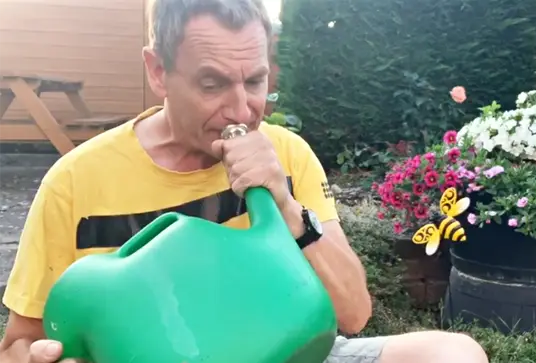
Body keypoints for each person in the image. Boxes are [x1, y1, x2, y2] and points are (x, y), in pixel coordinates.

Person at [0, 0, 489, 362]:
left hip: (289, 346)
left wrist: (284, 202)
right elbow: (17, 342)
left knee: (454, 354)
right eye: (212, 84)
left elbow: (353, 315)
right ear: (157, 71)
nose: (240, 111)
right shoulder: (76, 181)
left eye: (254, 82)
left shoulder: (287, 153)